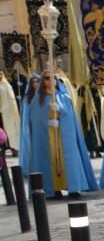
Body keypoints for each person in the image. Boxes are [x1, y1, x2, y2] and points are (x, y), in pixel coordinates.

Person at [20, 70, 98, 198]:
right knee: (50, 160)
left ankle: (72, 187)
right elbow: (35, 119)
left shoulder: (64, 97)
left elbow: (70, 117)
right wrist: (47, 120)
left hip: (64, 134)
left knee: (66, 159)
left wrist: (60, 111)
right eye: (46, 78)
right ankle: (54, 189)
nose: (50, 81)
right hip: (47, 135)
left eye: (52, 78)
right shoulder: (37, 100)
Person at [0, 70, 20, 157]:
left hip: (6, 112)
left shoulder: (6, 85)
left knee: (10, 130)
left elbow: (11, 99)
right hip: (1, 113)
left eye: (1, 74)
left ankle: (13, 148)